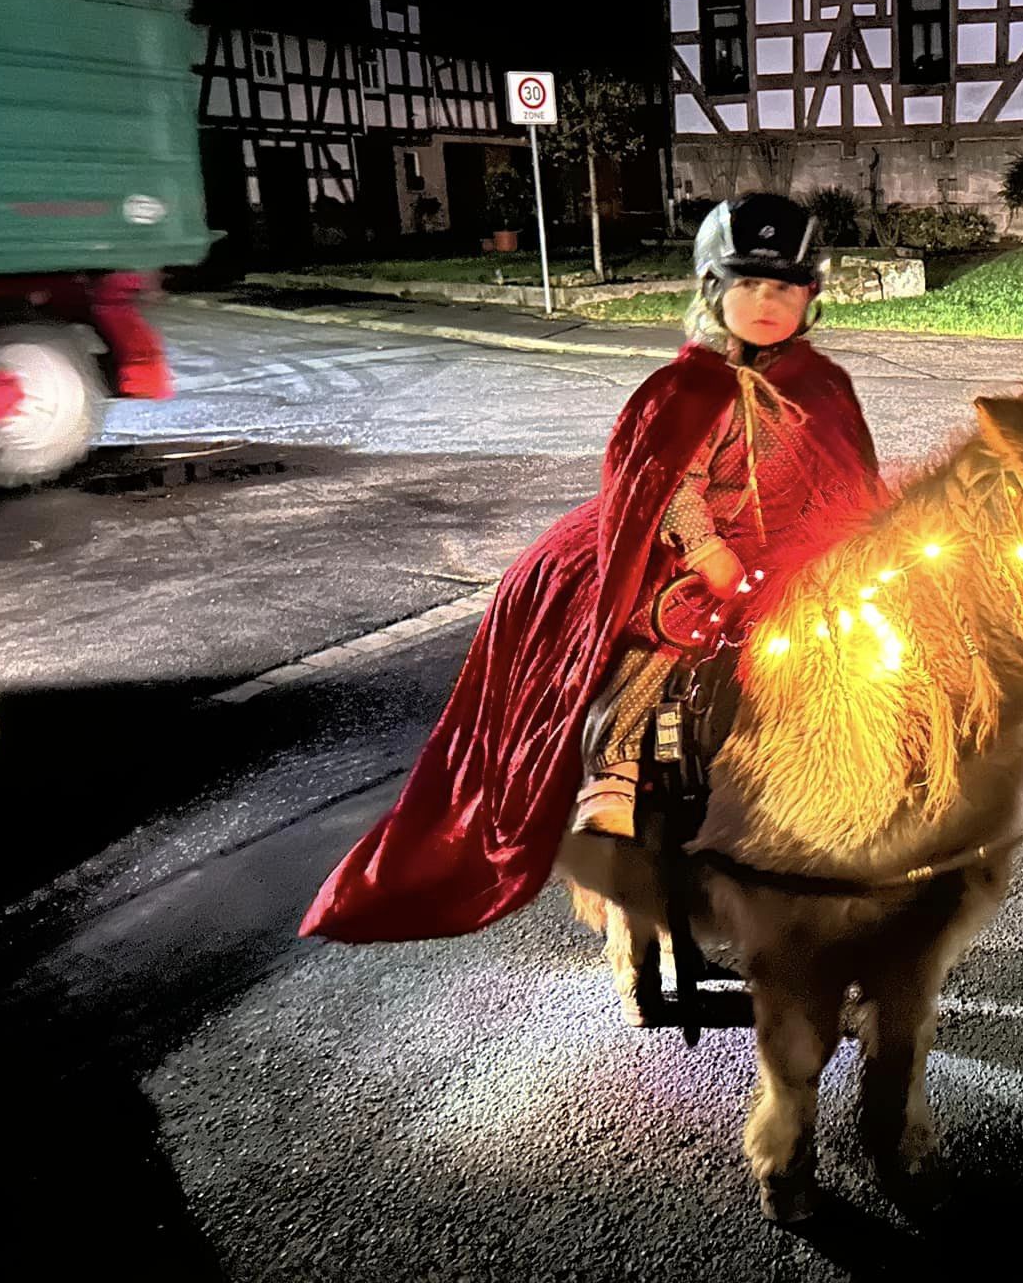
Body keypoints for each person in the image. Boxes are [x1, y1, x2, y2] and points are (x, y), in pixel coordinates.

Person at [300, 194, 880, 942]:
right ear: (713, 290)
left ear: (811, 298)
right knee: (666, 639)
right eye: (749, 285)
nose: (766, 303)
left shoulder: (823, 387)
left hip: (795, 560)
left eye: (784, 288)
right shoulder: (686, 390)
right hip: (694, 553)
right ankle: (614, 769)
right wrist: (716, 561)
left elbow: (847, 483)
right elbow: (673, 488)